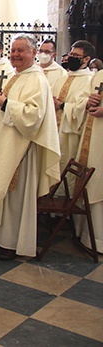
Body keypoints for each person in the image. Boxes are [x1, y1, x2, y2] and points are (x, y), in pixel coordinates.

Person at [0, 34, 61, 260]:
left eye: (21, 50)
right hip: (2, 145)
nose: (16, 54)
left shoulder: (36, 79)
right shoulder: (15, 76)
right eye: (14, 50)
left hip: (20, 150)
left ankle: (11, 242)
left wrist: (5, 103)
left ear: (33, 53)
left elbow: (34, 115)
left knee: (13, 196)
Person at [52, 40, 93, 190]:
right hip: (54, 131)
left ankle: (62, 202)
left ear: (86, 59)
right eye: (71, 54)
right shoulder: (62, 78)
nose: (71, 57)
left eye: (76, 55)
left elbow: (84, 107)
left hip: (71, 132)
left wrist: (62, 106)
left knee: (66, 167)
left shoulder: (89, 80)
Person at [74, 64, 103, 252]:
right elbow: (79, 99)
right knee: (92, 181)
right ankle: (89, 236)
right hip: (92, 137)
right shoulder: (99, 74)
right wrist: (87, 101)